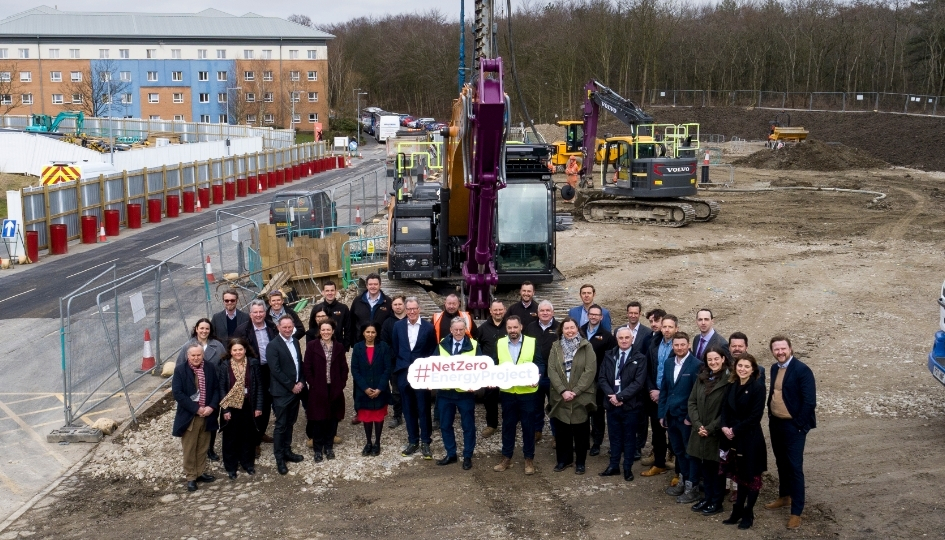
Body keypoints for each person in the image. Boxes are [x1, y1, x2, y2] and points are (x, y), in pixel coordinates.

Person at [765, 336, 817, 530]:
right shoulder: (774, 368)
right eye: (776, 349)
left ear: (790, 348)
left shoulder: (802, 370)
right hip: (776, 424)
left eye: (783, 349)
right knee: (781, 462)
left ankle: (796, 512)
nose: (780, 352)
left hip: (793, 427)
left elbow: (809, 402)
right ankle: (784, 496)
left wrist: (799, 425)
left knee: (794, 467)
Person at [720, 353, 768, 529]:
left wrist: (734, 429)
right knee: (739, 476)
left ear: (753, 369)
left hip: (750, 439)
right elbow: (724, 408)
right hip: (732, 438)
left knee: (751, 477)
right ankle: (737, 510)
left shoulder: (757, 387)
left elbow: (755, 416)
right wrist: (724, 426)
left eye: (747, 366)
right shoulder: (731, 385)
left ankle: (749, 513)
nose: (743, 369)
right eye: (740, 366)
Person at [547, 317, 597, 475]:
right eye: (566, 328)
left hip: (580, 397)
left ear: (577, 329)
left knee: (581, 432)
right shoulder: (555, 347)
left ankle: (580, 462)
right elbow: (552, 370)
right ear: (562, 330)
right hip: (561, 396)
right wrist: (563, 390)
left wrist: (575, 391)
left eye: (572, 328)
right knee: (562, 432)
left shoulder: (586, 346)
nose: (569, 331)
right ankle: (563, 460)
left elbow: (590, 371)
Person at [493, 316, 543, 475]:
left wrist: (537, 376)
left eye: (515, 327)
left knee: (528, 428)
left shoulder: (532, 342)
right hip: (508, 393)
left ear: (521, 327)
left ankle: (529, 459)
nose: (512, 331)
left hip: (527, 394)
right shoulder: (500, 343)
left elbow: (540, 363)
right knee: (508, 427)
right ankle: (506, 457)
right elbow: (494, 365)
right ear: (506, 328)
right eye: (510, 328)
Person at [686, 346, 733, 516]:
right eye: (710, 359)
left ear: (723, 359)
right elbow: (691, 402)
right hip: (700, 431)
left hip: (716, 433)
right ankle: (707, 497)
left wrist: (711, 428)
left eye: (716, 359)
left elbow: (728, 410)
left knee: (717, 469)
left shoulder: (729, 381)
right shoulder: (702, 378)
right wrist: (698, 425)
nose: (713, 362)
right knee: (704, 467)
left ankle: (716, 501)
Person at [598, 327, 647, 481]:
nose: (624, 340)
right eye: (621, 338)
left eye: (627, 337)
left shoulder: (640, 358)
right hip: (611, 404)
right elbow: (602, 378)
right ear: (617, 339)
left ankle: (627, 468)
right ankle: (613, 466)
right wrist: (611, 396)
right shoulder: (609, 355)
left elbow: (638, 383)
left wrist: (620, 397)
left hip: (630, 405)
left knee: (629, 438)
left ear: (632, 339)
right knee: (614, 436)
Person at [392, 297, 438, 459]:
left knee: (423, 407)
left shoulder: (428, 327)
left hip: (422, 374)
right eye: (409, 309)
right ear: (405, 309)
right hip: (404, 372)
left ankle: (426, 441)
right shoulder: (397, 326)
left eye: (414, 308)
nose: (411, 311)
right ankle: (413, 441)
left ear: (419, 309)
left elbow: (432, 350)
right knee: (408, 408)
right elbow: (396, 348)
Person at [659, 331, 701, 503]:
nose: (679, 348)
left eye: (682, 344)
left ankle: (693, 487)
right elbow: (665, 390)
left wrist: (691, 417)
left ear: (688, 345)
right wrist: (662, 413)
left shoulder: (696, 365)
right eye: (676, 345)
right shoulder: (669, 363)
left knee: (690, 452)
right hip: (671, 416)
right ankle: (683, 482)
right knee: (679, 451)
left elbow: (698, 394)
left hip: (686, 418)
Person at [175, 318, 226, 461]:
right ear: (196, 329)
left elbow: (223, 366)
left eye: (207, 329)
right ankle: (193, 450)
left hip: (212, 390)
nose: (204, 331)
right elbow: (179, 367)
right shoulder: (187, 347)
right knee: (192, 423)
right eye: (201, 328)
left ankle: (209, 448)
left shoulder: (218, 346)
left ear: (210, 331)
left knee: (211, 421)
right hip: (193, 392)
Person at [172, 343, 220, 492]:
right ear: (188, 356)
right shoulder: (180, 370)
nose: (196, 358)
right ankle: (191, 477)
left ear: (203, 355)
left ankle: (200, 473)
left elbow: (216, 389)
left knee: (203, 446)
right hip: (190, 416)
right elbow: (178, 393)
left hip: (207, 414)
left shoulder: (210, 368)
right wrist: (196, 408)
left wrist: (211, 407)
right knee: (190, 448)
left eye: (198, 355)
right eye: (193, 355)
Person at [234, 299, 279, 453]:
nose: (258, 315)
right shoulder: (242, 330)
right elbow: (237, 352)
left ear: (265, 313)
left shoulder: (272, 327)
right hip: (253, 370)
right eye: (255, 312)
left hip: (270, 369)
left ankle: (261, 432)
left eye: (261, 312)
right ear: (250, 314)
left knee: (267, 402)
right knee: (255, 404)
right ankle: (253, 440)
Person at [436, 317, 481, 470]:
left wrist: (476, 385)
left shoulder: (474, 345)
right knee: (445, 425)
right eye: (455, 329)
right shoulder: (441, 344)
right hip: (445, 393)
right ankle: (451, 454)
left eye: (461, 329)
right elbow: (433, 366)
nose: (458, 332)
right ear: (450, 330)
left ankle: (468, 455)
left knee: (468, 426)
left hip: (465, 394)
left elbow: (481, 369)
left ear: (465, 330)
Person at [302, 320, 349, 462]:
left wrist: (341, 383)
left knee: (333, 419)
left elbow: (344, 368)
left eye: (328, 330)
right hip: (318, 389)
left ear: (333, 331)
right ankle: (318, 449)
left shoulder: (339, 347)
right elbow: (307, 367)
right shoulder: (312, 346)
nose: (326, 332)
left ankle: (329, 447)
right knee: (318, 420)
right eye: (323, 330)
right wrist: (313, 383)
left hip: (334, 387)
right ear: (319, 331)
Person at [217, 337, 263, 480]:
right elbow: (221, 388)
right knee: (230, 437)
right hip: (231, 406)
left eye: (240, 349)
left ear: (245, 350)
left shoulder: (253, 364)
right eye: (234, 350)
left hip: (249, 405)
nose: (238, 352)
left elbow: (259, 386)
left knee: (248, 435)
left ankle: (247, 464)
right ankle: (231, 467)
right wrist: (225, 410)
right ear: (230, 351)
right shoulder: (225, 366)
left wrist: (259, 406)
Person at [267, 315, 306, 475]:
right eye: (285, 327)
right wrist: (291, 386)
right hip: (282, 392)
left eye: (290, 327)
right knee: (281, 425)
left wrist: (302, 381)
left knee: (290, 422)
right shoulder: (273, 346)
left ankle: (287, 450)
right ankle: (279, 458)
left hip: (296, 389)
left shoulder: (295, 341)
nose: (288, 329)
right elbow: (275, 370)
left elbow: (299, 363)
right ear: (278, 327)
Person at [641, 314, 677, 477]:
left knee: (674, 432)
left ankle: (678, 469)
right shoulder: (654, 343)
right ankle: (659, 463)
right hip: (654, 394)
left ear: (676, 328)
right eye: (665, 326)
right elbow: (647, 368)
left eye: (670, 327)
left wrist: (662, 393)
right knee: (657, 431)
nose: (667, 329)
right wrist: (651, 389)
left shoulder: (680, 346)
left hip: (671, 396)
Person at [580, 304, 616, 457]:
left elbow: (610, 360)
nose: (593, 317)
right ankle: (583, 441)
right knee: (582, 411)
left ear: (601, 317)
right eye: (591, 314)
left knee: (597, 412)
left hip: (599, 380)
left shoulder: (607, 336)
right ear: (587, 315)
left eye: (597, 315)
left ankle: (597, 442)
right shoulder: (579, 331)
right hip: (581, 379)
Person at [351, 323, 392, 456]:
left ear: (376, 333)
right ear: (363, 333)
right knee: (367, 417)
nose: (370, 335)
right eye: (367, 332)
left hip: (380, 389)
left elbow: (387, 368)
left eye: (372, 332)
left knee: (378, 417)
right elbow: (355, 370)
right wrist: (365, 388)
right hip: (364, 390)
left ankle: (377, 443)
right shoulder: (357, 348)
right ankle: (368, 442)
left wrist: (380, 388)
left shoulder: (384, 347)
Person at [525, 300, 560, 443]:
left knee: (555, 405)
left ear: (552, 312)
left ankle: (556, 434)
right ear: (537, 313)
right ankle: (537, 430)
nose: (545, 313)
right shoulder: (530, 327)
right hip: (536, 374)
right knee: (536, 404)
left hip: (554, 374)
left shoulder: (559, 327)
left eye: (548, 310)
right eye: (542, 311)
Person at [476, 299, 508, 438]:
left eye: (500, 310)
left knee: (508, 397)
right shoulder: (482, 328)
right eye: (495, 310)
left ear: (504, 310)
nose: (498, 312)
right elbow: (477, 348)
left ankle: (509, 422)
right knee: (490, 398)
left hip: (507, 369)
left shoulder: (510, 325)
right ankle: (492, 424)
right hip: (490, 370)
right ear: (490, 311)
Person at [381, 295, 407, 427]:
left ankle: (412, 413)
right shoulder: (388, 323)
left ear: (404, 305)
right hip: (394, 362)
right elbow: (384, 343)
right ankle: (397, 415)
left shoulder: (411, 320)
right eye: (395, 304)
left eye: (400, 304)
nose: (397, 307)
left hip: (410, 362)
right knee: (396, 390)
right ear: (392, 306)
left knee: (412, 388)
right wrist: (395, 356)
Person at [350, 272, 394, 345]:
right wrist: (353, 341)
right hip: (361, 342)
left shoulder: (388, 302)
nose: (373, 286)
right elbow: (351, 322)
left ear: (380, 285)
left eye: (375, 284)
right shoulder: (357, 301)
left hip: (381, 343)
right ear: (366, 285)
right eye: (370, 284)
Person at [311, 281, 352, 350]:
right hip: (321, 347)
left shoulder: (343, 308)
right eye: (327, 291)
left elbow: (348, 329)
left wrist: (345, 346)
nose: (330, 293)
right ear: (323, 292)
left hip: (338, 346)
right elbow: (312, 328)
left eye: (332, 290)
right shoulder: (317, 309)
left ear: (336, 291)